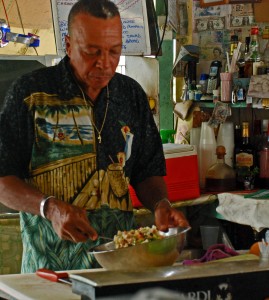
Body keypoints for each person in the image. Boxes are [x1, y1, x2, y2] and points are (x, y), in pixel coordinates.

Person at [0, 0, 189, 273]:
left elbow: (147, 171)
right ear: (68, 45)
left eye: (114, 52)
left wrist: (161, 205)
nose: (104, 63)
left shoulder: (130, 95)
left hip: (118, 266)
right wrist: (50, 208)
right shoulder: (31, 94)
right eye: (92, 52)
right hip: (50, 271)